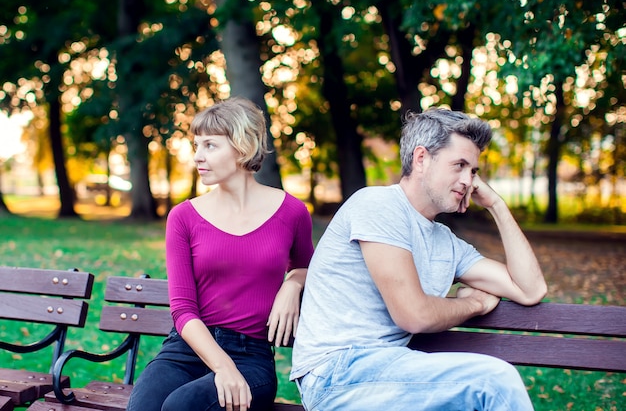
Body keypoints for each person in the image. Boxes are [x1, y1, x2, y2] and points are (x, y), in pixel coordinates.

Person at [290, 108, 548, 411]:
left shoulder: (447, 244)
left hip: (391, 373)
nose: (468, 181)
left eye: (474, 171)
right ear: (421, 158)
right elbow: (414, 315)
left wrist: (496, 205)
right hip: (337, 373)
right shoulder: (377, 205)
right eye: (460, 165)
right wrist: (475, 304)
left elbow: (531, 290)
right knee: (493, 381)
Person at [127, 97, 314, 411]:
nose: (198, 157)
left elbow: (309, 266)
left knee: (181, 407)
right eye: (196, 145)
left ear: (242, 147)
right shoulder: (183, 217)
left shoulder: (291, 212)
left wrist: (293, 284)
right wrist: (223, 367)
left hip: (251, 357)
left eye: (210, 146)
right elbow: (183, 310)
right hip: (185, 350)